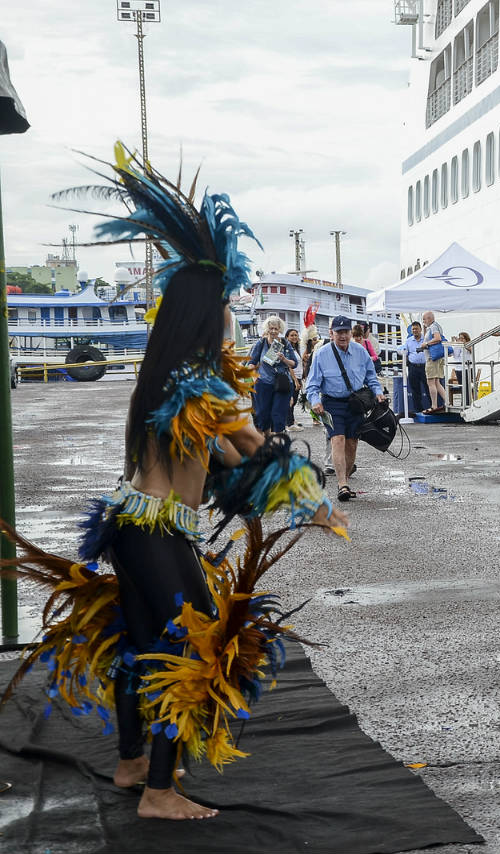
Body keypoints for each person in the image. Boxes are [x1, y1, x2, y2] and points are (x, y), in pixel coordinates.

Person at [0, 144, 347, 820]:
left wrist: (253, 471)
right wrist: (314, 499)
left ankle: (133, 762)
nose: (232, 315)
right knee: (193, 646)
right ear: (206, 315)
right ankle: (159, 791)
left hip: (134, 526)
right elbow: (252, 449)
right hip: (155, 534)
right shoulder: (202, 383)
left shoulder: (163, 379)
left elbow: (217, 460)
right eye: (227, 306)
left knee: (138, 643)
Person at [305, 314, 385, 502]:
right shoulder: (321, 354)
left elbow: (371, 377)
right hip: (332, 403)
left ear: (351, 332)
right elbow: (312, 384)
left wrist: (378, 392)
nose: (342, 336)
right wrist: (315, 401)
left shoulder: (361, 351)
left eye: (346, 332)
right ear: (331, 333)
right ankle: (342, 484)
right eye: (338, 332)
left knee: (352, 443)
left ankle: (345, 480)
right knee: (338, 439)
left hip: (355, 403)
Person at [247, 315, 298, 436]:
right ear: (267, 329)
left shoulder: (285, 343)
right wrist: (254, 377)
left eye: (276, 328)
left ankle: (277, 440)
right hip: (263, 383)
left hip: (282, 383)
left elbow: (294, 363)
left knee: (278, 413)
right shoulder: (261, 343)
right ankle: (266, 438)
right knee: (262, 414)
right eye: (271, 328)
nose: (274, 331)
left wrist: (284, 359)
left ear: (280, 329)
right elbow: (251, 362)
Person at [401, 319, 430, 414]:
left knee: (429, 387)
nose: (414, 331)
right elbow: (405, 353)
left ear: (420, 329)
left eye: (416, 329)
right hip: (413, 367)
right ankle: (418, 410)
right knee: (415, 390)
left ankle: (432, 408)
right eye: (413, 329)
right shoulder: (408, 341)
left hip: (425, 367)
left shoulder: (426, 339)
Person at [423, 310, 447, 412]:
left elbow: (437, 338)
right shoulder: (436, 326)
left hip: (432, 359)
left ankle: (434, 405)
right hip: (438, 358)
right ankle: (447, 401)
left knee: (431, 382)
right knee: (437, 382)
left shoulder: (433, 327)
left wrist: (426, 344)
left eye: (424, 319)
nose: (423, 321)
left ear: (429, 318)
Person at [284, 327, 304, 431]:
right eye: (292, 335)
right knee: (290, 401)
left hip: (298, 377)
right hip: (291, 378)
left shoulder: (295, 349)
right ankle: (289, 424)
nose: (294, 337)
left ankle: (291, 420)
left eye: (296, 335)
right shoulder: (287, 349)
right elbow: (289, 367)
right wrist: (295, 380)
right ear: (287, 337)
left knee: (294, 400)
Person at [447, 332, 475, 402]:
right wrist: (452, 343)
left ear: (466, 339)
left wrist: (462, 343)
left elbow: (471, 350)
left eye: (462, 338)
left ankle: (467, 402)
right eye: (460, 338)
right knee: (461, 386)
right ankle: (464, 402)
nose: (461, 340)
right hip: (458, 369)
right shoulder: (457, 346)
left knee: (466, 386)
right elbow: (451, 354)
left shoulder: (469, 344)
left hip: (467, 368)